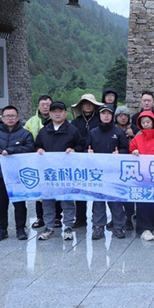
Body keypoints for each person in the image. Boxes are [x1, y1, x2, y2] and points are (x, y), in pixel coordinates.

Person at [0, 105, 35, 241]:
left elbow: (30, 149)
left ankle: (20, 229)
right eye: (7, 116)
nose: (10, 118)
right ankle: (2, 229)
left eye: (13, 116)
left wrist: (11, 150)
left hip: (18, 175)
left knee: (19, 203)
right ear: (2, 118)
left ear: (18, 118)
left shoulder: (25, 134)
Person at [34, 101, 84, 241]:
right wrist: (39, 150)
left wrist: (74, 150)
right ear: (50, 114)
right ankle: (49, 228)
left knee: (67, 200)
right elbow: (36, 145)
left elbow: (81, 145)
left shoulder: (72, 130)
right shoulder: (44, 131)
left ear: (65, 113)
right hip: (48, 172)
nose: (57, 114)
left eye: (60, 111)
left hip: (66, 172)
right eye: (54, 111)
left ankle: (68, 227)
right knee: (48, 201)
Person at [85, 104, 128, 239]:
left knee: (115, 201)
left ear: (112, 116)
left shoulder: (118, 132)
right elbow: (85, 148)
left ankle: (118, 226)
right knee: (98, 200)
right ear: (99, 115)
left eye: (109, 113)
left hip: (114, 172)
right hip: (97, 173)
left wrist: (119, 153)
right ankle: (98, 227)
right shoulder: (93, 132)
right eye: (103, 113)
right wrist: (88, 153)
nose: (106, 116)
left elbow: (126, 149)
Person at [129, 111, 154, 241]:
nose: (146, 124)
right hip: (142, 176)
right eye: (143, 122)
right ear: (139, 124)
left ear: (153, 122)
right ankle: (144, 229)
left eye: (148, 121)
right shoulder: (137, 139)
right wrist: (133, 153)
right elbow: (130, 152)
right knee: (143, 202)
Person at [25, 94, 60, 229]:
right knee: (40, 190)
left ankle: (57, 217)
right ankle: (40, 217)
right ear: (38, 106)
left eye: (48, 105)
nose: (45, 107)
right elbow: (26, 139)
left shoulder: (58, 119)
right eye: (43, 105)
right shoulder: (31, 122)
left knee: (56, 188)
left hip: (55, 161)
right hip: (38, 160)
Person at [70, 93, 103, 228]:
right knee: (80, 190)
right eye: (85, 103)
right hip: (79, 159)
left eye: (90, 103)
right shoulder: (75, 122)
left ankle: (98, 220)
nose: (88, 105)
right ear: (81, 106)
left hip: (97, 160)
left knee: (98, 189)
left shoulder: (100, 121)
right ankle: (80, 218)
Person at [114, 105, 135, 231]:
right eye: (120, 115)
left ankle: (129, 218)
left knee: (128, 194)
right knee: (115, 193)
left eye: (125, 115)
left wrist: (132, 136)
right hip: (115, 166)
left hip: (130, 166)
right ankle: (116, 218)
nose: (123, 118)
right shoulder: (112, 130)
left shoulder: (134, 129)